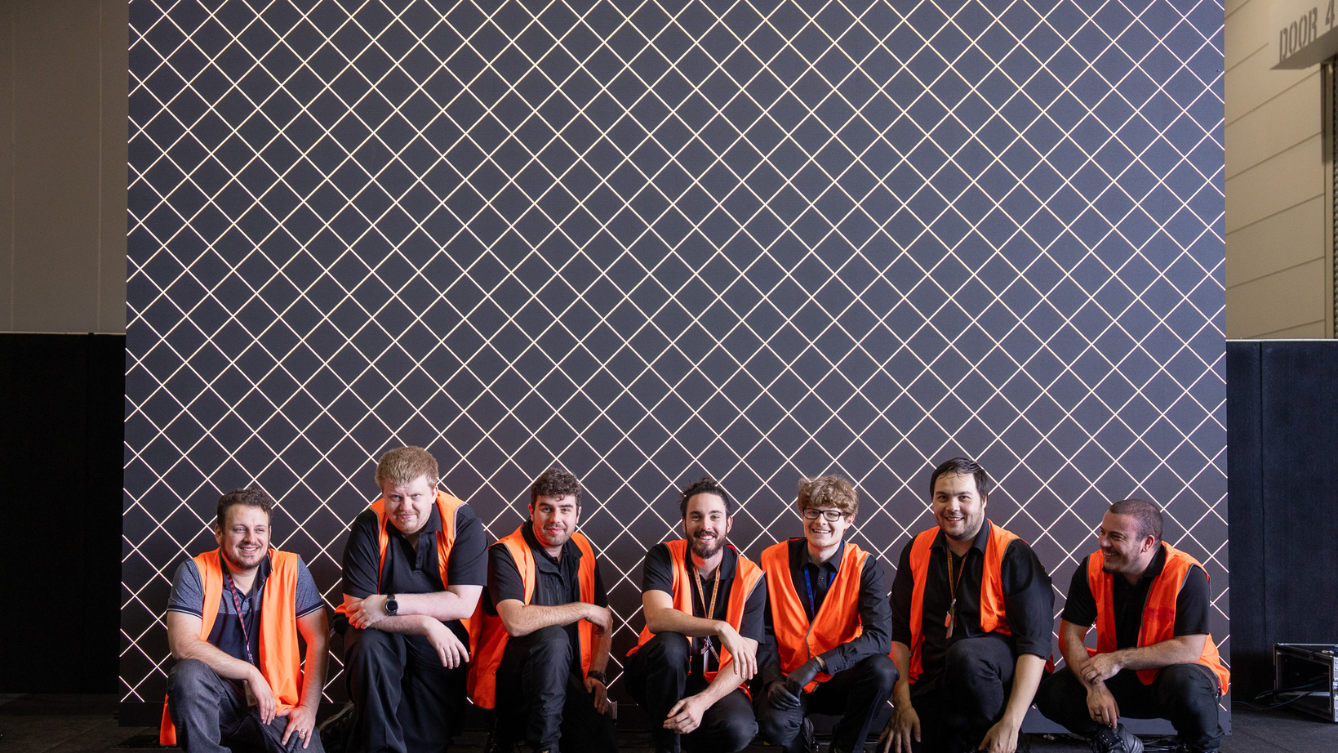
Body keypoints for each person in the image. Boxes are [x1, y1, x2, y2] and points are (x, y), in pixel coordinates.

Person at [878, 457, 1053, 753]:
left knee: (967, 654)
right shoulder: (917, 548)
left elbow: (1035, 645)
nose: (952, 507)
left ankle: (1007, 743)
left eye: (963, 497)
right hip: (935, 681)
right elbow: (899, 636)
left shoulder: (1013, 553)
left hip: (993, 681)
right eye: (942, 497)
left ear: (983, 500)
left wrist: (1011, 723)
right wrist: (903, 705)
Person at [1035, 499, 1229, 753]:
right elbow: (1070, 635)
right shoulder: (1092, 567)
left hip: (1177, 678)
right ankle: (1117, 743)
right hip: (1121, 678)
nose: (1103, 543)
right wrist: (1094, 686)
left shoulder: (1187, 573)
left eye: (1115, 536)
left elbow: (1189, 650)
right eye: (1102, 532)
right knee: (1052, 691)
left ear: (1147, 542)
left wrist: (1118, 660)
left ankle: (1201, 747)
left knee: (1185, 683)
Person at [337, 447, 487, 753]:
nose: (405, 507)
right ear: (382, 493)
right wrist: (424, 622)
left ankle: (348, 728)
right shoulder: (367, 524)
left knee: (428, 742)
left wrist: (389, 603)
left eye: (415, 496)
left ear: (434, 491)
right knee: (367, 646)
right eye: (394, 497)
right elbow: (358, 609)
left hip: (443, 638)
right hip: (381, 634)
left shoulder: (463, 521)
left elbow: (462, 604)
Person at [162, 487, 328, 753]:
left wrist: (308, 709)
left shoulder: (292, 568)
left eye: (260, 530)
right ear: (219, 533)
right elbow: (182, 645)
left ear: (269, 534)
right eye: (240, 529)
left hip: (275, 705)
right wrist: (250, 673)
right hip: (217, 702)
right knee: (188, 674)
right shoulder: (194, 572)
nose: (251, 539)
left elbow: (318, 639)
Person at [468, 467, 617, 753]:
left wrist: (597, 674)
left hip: (567, 681)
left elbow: (604, 622)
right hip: (511, 688)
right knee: (553, 638)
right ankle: (543, 747)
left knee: (603, 742)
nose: (555, 519)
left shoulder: (583, 549)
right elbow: (516, 622)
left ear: (578, 514)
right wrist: (583, 608)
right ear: (531, 511)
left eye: (565, 509)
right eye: (546, 509)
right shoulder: (505, 553)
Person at [624, 476, 767, 753]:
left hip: (714, 681)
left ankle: (687, 730)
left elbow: (745, 660)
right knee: (671, 644)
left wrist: (702, 701)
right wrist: (720, 627)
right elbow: (657, 617)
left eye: (715, 516)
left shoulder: (752, 577)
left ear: (728, 523)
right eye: (696, 517)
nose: (705, 526)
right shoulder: (662, 555)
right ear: (684, 523)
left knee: (739, 729)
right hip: (656, 671)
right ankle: (667, 747)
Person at [756, 475, 896, 753]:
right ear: (802, 513)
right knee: (774, 725)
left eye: (832, 513)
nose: (820, 521)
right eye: (813, 511)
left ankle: (845, 747)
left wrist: (820, 663)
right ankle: (801, 743)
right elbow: (763, 630)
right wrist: (771, 679)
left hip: (840, 678)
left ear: (849, 520)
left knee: (883, 671)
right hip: (789, 678)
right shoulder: (772, 558)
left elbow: (879, 637)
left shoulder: (864, 565)